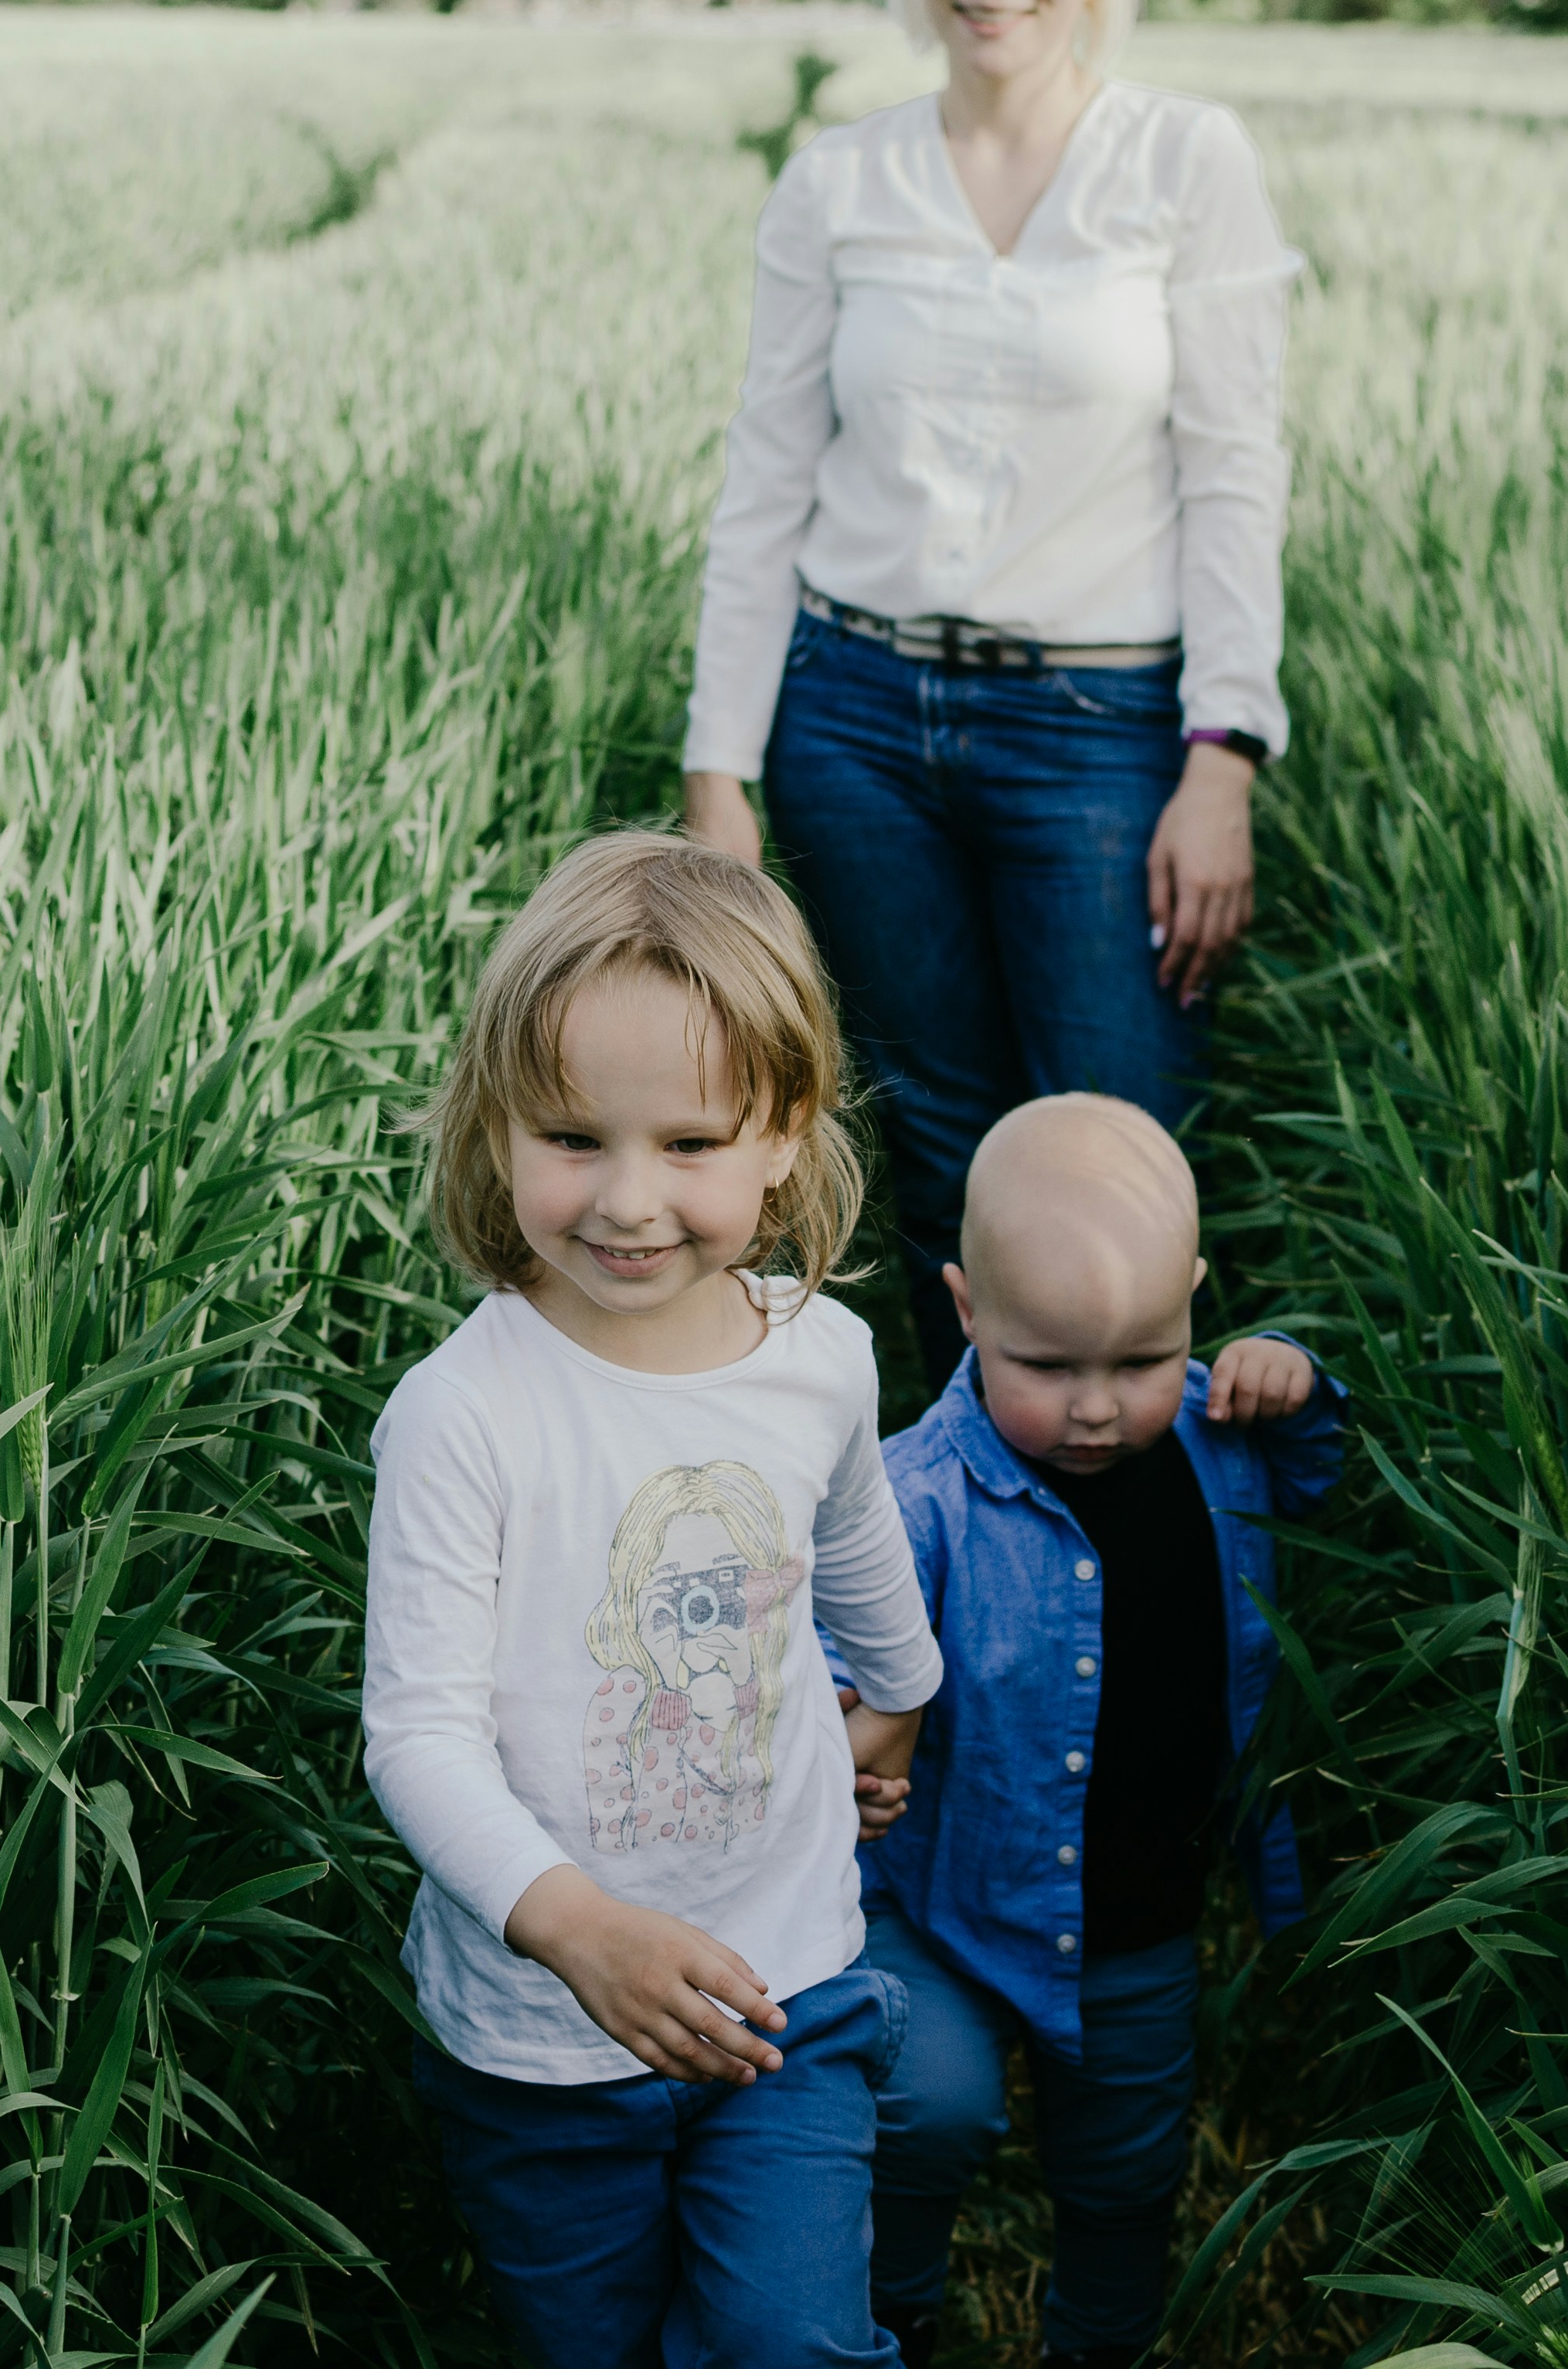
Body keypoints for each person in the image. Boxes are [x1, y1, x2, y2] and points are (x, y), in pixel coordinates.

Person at [362, 830, 947, 2368]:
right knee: (593, 2345)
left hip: (785, 1990)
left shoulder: (813, 1353)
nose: (627, 1202)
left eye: (688, 1145)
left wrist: (891, 1703)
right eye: (571, 1137)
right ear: (494, 1128)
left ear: (783, 1131)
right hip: (540, 2044)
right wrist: (579, 1934)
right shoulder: (465, 1414)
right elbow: (417, 1739)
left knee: (795, 2348)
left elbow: (859, 1553)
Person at [678, 0, 1303, 1373]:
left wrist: (1225, 757)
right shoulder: (839, 181)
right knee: (942, 1141)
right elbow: (765, 481)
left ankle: (1148, 1539)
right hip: (851, 727)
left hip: (1103, 732)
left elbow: (1236, 473)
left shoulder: (1186, 160)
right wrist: (717, 773)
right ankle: (970, 1530)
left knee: (1124, 1150)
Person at [841, 1095, 1343, 2367]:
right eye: (1048, 1367)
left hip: (1140, 1909)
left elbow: (1319, 1482)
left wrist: (1289, 1371)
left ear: (1190, 1298)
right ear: (965, 1311)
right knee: (929, 2116)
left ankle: (1099, 2345)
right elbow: (841, 1660)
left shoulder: (1219, 1442)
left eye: (1137, 1358)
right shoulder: (918, 1499)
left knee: (1127, 2171)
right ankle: (889, 2308)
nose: (1100, 1407)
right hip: (947, 1893)